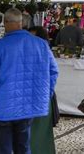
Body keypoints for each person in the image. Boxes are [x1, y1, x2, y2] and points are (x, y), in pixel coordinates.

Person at [0, 8, 58, 153]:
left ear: (5, 22)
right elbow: (53, 72)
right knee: (23, 147)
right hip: (28, 108)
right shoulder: (41, 45)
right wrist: (45, 95)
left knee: (3, 150)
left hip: (3, 108)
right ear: (21, 23)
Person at [28, 26, 58, 154]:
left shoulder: (42, 50)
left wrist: (47, 92)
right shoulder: (34, 50)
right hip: (38, 97)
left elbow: (54, 72)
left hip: (41, 97)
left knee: (38, 134)